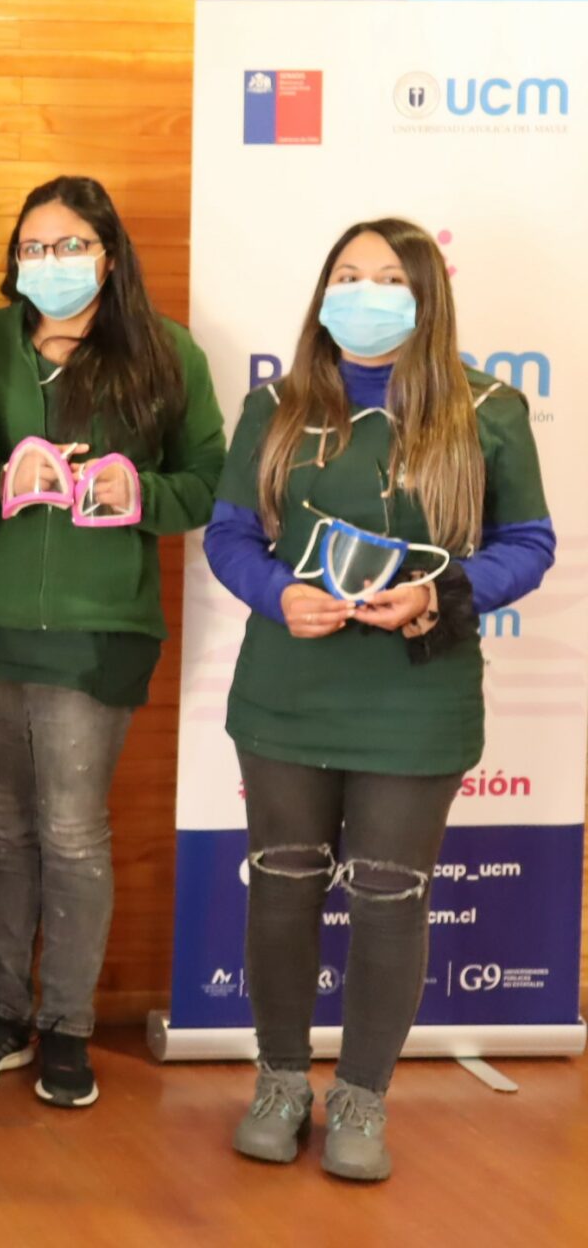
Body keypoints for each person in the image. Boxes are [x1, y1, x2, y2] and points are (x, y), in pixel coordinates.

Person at [204, 217, 553, 1183]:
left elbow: (529, 541)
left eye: (388, 276)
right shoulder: (274, 404)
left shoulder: (488, 410)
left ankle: (362, 1096)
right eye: (347, 275)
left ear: (426, 294)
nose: (365, 291)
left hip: (418, 693)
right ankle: (280, 1082)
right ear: (323, 293)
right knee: (281, 884)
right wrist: (279, 593)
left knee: (392, 899)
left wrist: (442, 593)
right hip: (288, 687)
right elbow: (230, 534)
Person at [0, 176, 226, 1109]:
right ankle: (1, 1015)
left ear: (109, 253)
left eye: (71, 246)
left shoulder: (165, 351)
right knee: (0, 831)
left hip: (100, 635)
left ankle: (66, 1027)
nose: (50, 264)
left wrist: (132, 491)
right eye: (34, 247)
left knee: (72, 833)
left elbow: (208, 483)